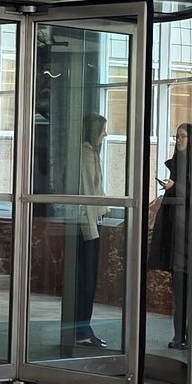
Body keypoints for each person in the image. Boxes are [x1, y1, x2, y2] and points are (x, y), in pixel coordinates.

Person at [148, 121, 192, 349]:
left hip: (190, 234)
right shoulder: (176, 163)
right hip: (176, 232)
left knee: (190, 287)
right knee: (179, 285)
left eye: (183, 136)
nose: (179, 140)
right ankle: (179, 335)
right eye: (177, 136)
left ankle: (189, 335)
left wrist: (174, 186)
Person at [73, 111, 106, 349]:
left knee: (88, 280)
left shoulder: (91, 153)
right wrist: (91, 227)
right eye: (103, 130)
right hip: (88, 223)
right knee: (86, 280)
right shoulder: (86, 154)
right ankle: (81, 330)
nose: (106, 134)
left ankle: (84, 328)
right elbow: (87, 192)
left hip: (93, 220)